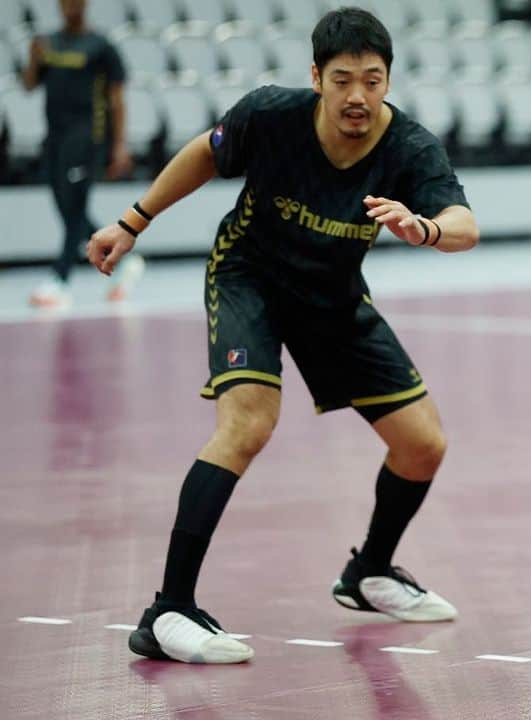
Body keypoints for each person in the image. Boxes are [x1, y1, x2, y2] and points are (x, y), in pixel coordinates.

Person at [87, 7, 478, 664]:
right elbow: (204, 156)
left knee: (423, 445)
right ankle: (167, 611)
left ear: (388, 81)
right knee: (246, 426)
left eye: (373, 80)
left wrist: (426, 229)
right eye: (344, 79)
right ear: (317, 77)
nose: (358, 96)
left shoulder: (409, 147)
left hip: (332, 299)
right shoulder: (270, 115)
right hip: (252, 280)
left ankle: (368, 573)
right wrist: (133, 221)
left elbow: (465, 223)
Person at [21, 0, 141, 308]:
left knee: (74, 207)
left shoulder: (101, 46)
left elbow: (117, 99)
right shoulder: (48, 43)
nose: (70, 5)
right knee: (66, 208)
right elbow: (29, 85)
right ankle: (127, 262)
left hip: (87, 136)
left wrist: (119, 145)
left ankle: (59, 281)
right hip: (55, 137)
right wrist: (34, 59)